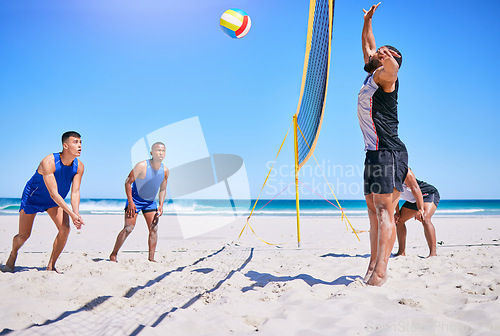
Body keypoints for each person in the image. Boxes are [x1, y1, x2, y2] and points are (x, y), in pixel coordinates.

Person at [357, 3, 407, 286]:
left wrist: (387, 56)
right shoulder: (370, 74)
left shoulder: (386, 79)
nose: (373, 54)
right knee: (373, 215)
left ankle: (381, 272)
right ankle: (372, 265)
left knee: (385, 213)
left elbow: (394, 68)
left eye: (380, 53)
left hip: (390, 152)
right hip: (373, 153)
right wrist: (368, 21)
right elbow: (368, 45)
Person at [5, 131, 85, 272]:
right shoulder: (49, 162)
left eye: (80, 142)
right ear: (65, 145)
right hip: (33, 198)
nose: (79, 145)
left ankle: (51, 266)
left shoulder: (79, 166)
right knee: (24, 236)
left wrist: (76, 214)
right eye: (75, 142)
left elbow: (75, 192)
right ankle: (13, 253)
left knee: (65, 229)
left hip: (54, 201)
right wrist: (71, 214)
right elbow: (53, 193)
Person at [110, 142, 169, 262]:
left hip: (150, 202)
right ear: (152, 152)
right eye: (158, 150)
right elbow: (127, 182)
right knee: (128, 228)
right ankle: (113, 254)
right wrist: (131, 202)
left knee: (154, 229)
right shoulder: (142, 166)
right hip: (135, 200)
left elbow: (163, 189)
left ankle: (151, 258)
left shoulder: (165, 170)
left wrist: (161, 205)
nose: (160, 153)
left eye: (163, 151)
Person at [395, 168, 439, 257]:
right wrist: (397, 212)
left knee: (425, 218)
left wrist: (420, 209)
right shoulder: (387, 179)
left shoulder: (404, 171)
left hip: (427, 193)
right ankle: (401, 252)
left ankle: (433, 254)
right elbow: (394, 197)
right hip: (413, 200)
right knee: (398, 221)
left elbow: (415, 189)